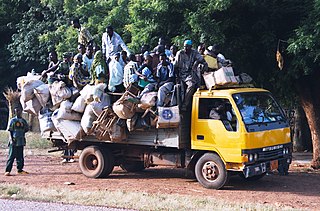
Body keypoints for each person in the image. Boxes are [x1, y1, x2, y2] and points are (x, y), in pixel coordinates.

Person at [174, 39, 207, 111]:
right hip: (181, 74)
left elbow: (202, 60)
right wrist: (177, 77)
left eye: (187, 47)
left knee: (192, 85)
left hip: (189, 74)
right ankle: (183, 105)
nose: (186, 48)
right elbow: (175, 66)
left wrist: (197, 62)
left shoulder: (194, 52)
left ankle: (185, 103)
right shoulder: (180, 53)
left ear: (191, 47)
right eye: (185, 46)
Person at [5, 107, 29, 176]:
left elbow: (26, 129)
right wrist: (11, 140)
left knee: (20, 156)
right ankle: (8, 171)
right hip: (14, 140)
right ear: (15, 112)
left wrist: (22, 134)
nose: (18, 112)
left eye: (19, 111)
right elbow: (10, 131)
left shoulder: (23, 121)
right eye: (16, 111)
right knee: (11, 156)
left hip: (21, 140)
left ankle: (20, 170)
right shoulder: (12, 120)